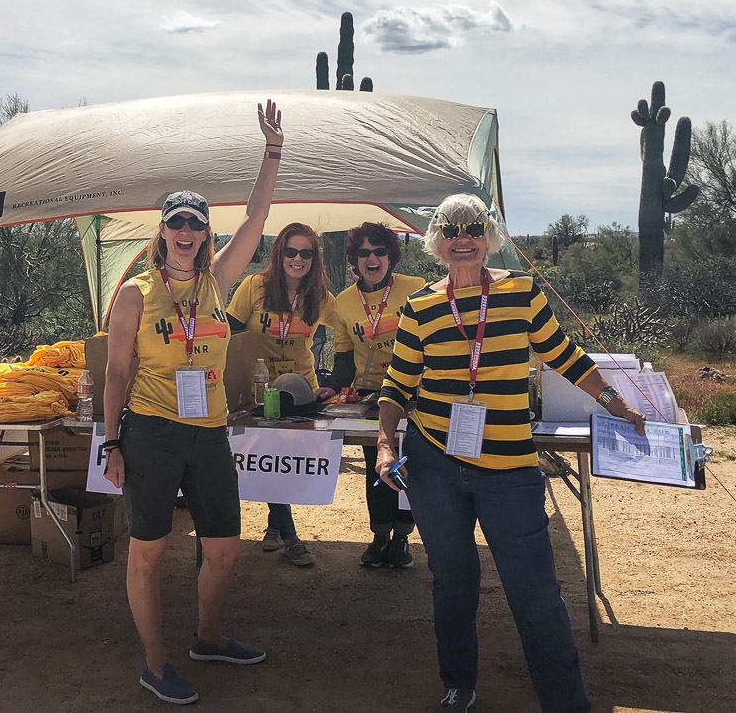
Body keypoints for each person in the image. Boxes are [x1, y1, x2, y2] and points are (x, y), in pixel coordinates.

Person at [374, 193, 647, 712]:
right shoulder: (421, 306)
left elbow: (564, 355)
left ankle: (565, 702)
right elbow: (397, 384)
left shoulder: (521, 292)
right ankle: (458, 685)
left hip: (509, 469)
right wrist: (386, 445)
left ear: (489, 237)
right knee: (452, 582)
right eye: (450, 229)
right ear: (436, 241)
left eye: (473, 228)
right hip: (434, 462)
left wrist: (616, 401)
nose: (463, 239)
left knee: (535, 591)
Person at [102, 99, 283, 706]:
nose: (185, 233)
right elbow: (116, 373)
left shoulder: (216, 282)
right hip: (152, 431)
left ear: (206, 234)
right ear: (163, 231)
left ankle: (208, 637)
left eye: (195, 225)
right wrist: (111, 441)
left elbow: (257, 218)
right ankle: (156, 662)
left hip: (209, 432)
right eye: (176, 223)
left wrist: (272, 152)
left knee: (224, 550)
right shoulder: (135, 294)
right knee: (148, 552)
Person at [226, 222, 336, 567]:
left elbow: (350, 327)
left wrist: (340, 380)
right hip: (260, 389)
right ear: (279, 254)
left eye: (306, 253)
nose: (297, 259)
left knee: (287, 463)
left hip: (301, 389)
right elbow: (231, 331)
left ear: (314, 258)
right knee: (269, 456)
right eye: (290, 251)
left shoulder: (319, 294)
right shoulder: (254, 286)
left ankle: (275, 524)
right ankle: (290, 537)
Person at [323, 222, 425, 569]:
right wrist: (332, 387)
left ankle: (402, 538)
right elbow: (343, 359)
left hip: (414, 393)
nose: (372, 259)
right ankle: (380, 536)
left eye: (379, 251)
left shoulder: (417, 289)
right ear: (354, 260)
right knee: (376, 465)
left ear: (390, 257)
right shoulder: (343, 302)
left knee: (408, 463)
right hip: (371, 396)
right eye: (364, 252)